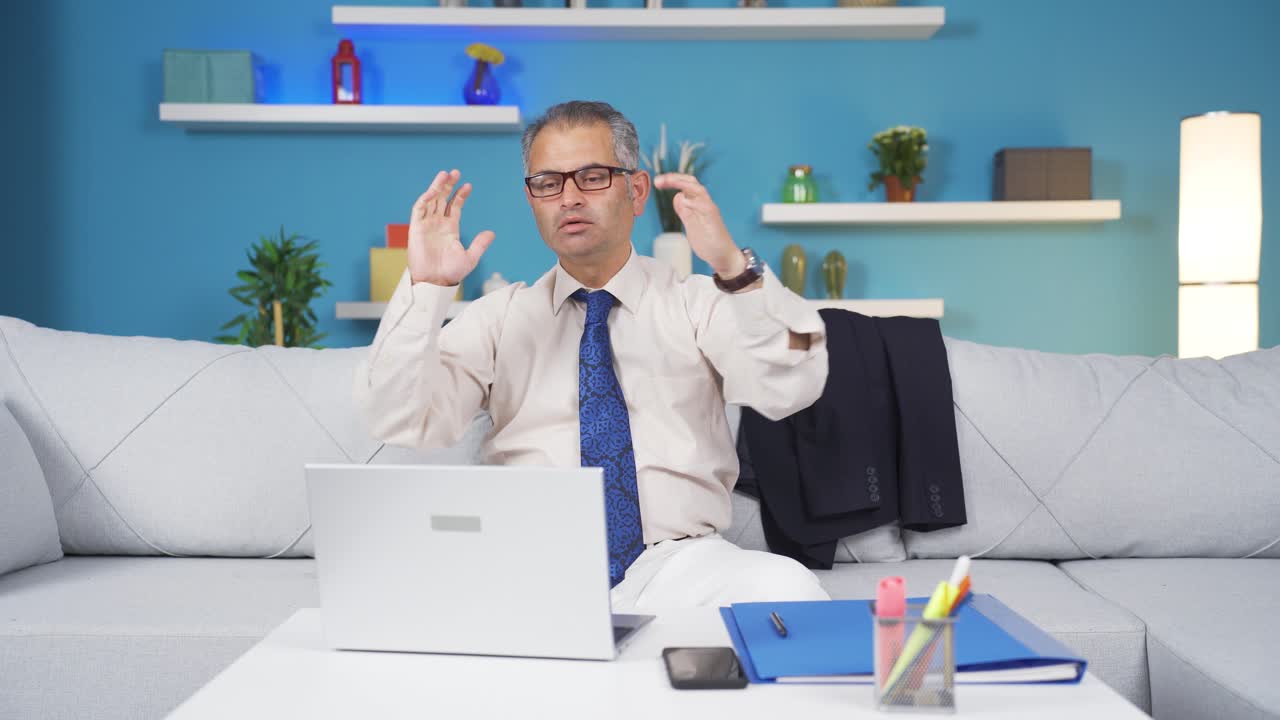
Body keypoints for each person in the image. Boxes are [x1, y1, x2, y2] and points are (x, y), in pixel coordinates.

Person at [354, 100, 831, 610]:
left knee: (789, 589)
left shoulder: (697, 303)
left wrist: (734, 268)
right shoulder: (498, 317)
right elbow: (396, 420)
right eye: (548, 183)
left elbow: (793, 385)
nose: (570, 198)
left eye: (593, 176)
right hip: (528, 562)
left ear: (637, 190)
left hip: (676, 566)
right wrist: (426, 288)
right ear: (532, 199)